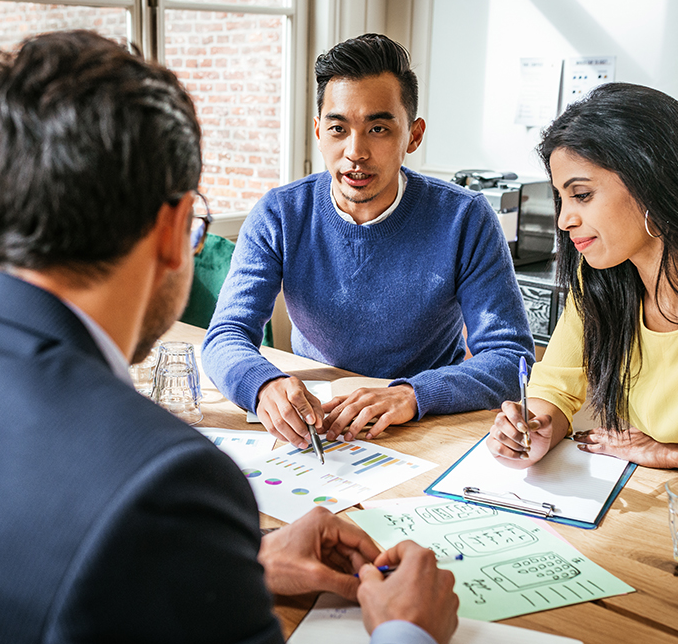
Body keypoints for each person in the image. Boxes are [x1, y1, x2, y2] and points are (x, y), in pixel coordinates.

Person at [0, 30, 459, 644]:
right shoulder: (163, 484)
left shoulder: (460, 216)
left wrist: (240, 563)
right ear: (177, 232)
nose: (356, 151)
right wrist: (408, 640)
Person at [202, 33, 534, 449]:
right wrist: (263, 384)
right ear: (319, 132)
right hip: (318, 421)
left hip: (427, 420)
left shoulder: (465, 217)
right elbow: (225, 335)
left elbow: (510, 357)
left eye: (378, 128)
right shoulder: (279, 214)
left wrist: (411, 394)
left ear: (412, 136)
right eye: (339, 129)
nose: (355, 151)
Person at [486, 82, 678, 508]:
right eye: (561, 198)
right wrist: (537, 424)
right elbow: (557, 384)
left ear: (653, 181)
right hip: (656, 503)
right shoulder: (601, 278)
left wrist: (674, 454)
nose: (565, 220)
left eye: (581, 195)